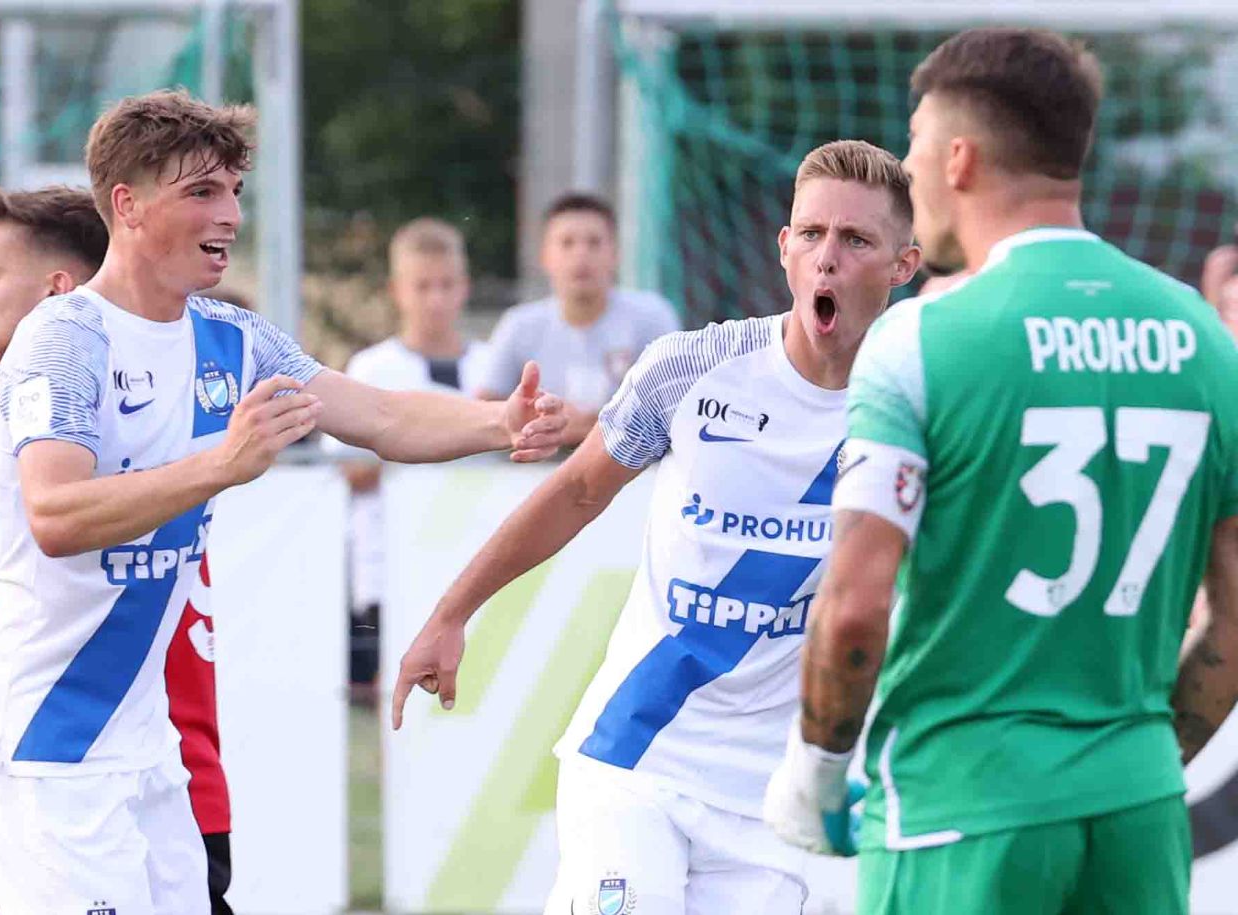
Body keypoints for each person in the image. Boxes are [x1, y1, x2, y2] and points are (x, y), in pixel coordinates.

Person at [0, 89, 565, 915]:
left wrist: (498, 422)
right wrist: (220, 464)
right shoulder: (63, 337)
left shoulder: (231, 336)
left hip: (143, 739)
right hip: (46, 743)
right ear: (127, 206)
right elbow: (56, 516)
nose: (231, 215)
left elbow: (381, 416)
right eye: (202, 191)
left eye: (235, 191)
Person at [763, 28, 1238, 915]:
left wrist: (817, 769)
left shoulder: (923, 337)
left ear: (959, 158)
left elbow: (856, 607)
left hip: (959, 808)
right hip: (1136, 812)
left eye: (913, 144)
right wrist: (1135, 760)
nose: (908, 168)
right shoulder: (1204, 338)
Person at [394, 140, 920, 914]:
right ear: (784, 247)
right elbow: (576, 491)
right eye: (811, 233)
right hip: (637, 757)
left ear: (903, 265)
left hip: (782, 793)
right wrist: (451, 613)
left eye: (856, 239)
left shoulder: (916, 405)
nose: (827, 257)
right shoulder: (690, 367)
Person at [0, 185, 239, 914]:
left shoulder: (140, 462)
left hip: (131, 777)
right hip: (84, 768)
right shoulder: (105, 447)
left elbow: (22, 594)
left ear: (59, 293)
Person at [323, 217, 488, 699]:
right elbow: (348, 469)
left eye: (446, 285)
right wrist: (428, 442)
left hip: (477, 551)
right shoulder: (372, 368)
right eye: (422, 286)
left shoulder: (493, 364)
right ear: (397, 291)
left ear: (464, 288)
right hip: (390, 559)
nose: (435, 299)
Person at [474, 193, 680, 444]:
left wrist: (595, 426)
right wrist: (541, 422)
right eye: (567, 243)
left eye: (594, 243)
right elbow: (483, 410)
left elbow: (677, 406)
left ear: (615, 254)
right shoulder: (518, 326)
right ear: (545, 256)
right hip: (535, 461)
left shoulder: (653, 317)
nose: (581, 255)